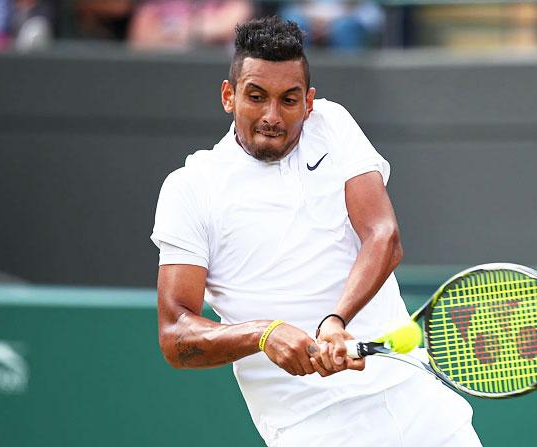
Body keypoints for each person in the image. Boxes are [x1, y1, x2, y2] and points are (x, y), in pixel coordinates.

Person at [151, 16, 480, 447]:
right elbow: (176, 335)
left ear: (308, 102)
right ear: (228, 96)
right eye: (256, 97)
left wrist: (336, 320)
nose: (272, 115)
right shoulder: (190, 188)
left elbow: (383, 235)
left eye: (288, 100)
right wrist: (263, 334)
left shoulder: (332, 125)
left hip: (418, 406)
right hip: (310, 429)